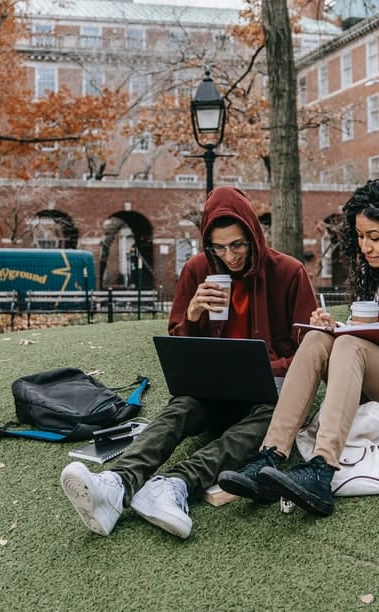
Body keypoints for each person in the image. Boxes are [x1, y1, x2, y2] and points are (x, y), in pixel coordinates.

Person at [59, 186, 317, 539]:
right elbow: (179, 347)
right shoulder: (197, 270)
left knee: (271, 417)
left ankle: (174, 484)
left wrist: (268, 368)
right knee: (181, 406)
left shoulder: (289, 272)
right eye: (219, 247)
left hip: (267, 393)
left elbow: (309, 351)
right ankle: (116, 484)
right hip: (213, 391)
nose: (230, 256)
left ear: (254, 235)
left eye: (239, 244)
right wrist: (193, 314)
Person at [218, 179, 379, 515]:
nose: (365, 247)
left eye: (375, 238)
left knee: (352, 346)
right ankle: (269, 455)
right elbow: (368, 341)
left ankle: (321, 468)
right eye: (360, 237)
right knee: (318, 338)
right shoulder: (375, 279)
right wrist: (337, 328)